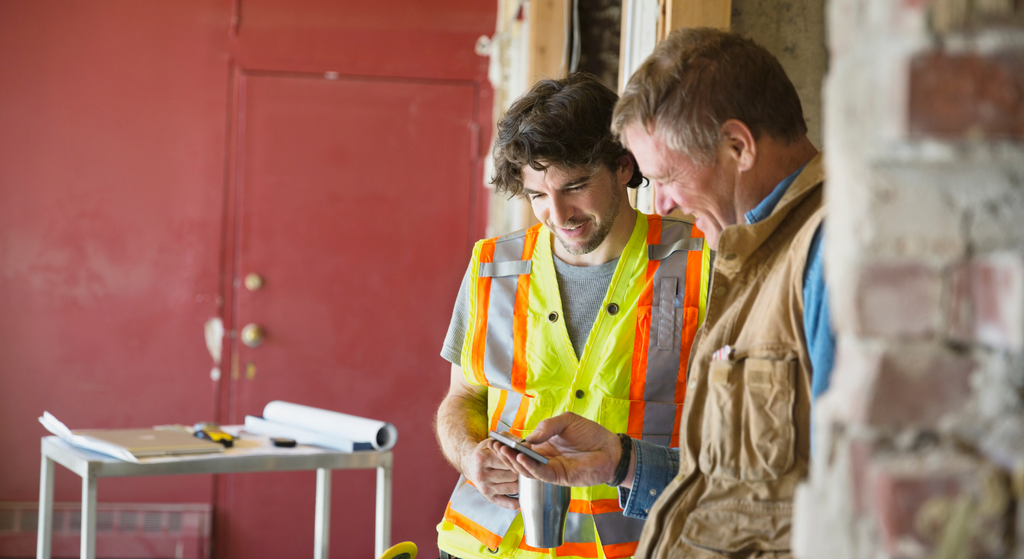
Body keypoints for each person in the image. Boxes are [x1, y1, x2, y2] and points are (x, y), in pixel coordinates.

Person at [499, 28, 835, 558]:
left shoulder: (831, 257)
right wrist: (623, 462)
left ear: (737, 145)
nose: (664, 203)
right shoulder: (754, 254)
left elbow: (868, 501)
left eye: (668, 176)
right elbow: (746, 488)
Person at [434, 72, 713, 559]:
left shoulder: (701, 262)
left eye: (575, 186)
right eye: (538, 195)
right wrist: (469, 455)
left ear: (624, 167)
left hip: (637, 545)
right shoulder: (492, 268)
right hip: (486, 545)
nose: (557, 214)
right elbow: (462, 399)